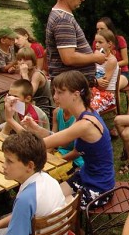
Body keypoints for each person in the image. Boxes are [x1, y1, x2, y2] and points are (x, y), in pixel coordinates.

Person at [20, 70, 115, 208]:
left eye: (60, 92)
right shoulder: (85, 114)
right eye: (54, 92)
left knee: (50, 207)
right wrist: (36, 128)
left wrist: (16, 139)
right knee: (45, 200)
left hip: (99, 187)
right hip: (85, 176)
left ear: (76, 95)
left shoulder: (85, 124)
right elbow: (59, 137)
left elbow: (44, 143)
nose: (55, 97)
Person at [45, 0, 106, 84]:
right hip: (69, 87)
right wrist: (95, 58)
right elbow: (68, 58)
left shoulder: (62, 16)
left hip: (72, 86)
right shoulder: (63, 20)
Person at [90, 26, 119, 114]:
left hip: (106, 95)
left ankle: (92, 122)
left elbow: (103, 86)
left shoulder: (111, 61)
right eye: (96, 42)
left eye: (100, 42)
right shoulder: (96, 56)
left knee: (88, 110)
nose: (96, 45)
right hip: (94, 90)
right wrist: (95, 82)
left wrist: (93, 82)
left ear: (109, 44)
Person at [96, 17, 129, 90]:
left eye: (102, 29)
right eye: (97, 29)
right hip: (102, 72)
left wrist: (111, 65)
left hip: (122, 72)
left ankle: (115, 97)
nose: (99, 31)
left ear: (109, 28)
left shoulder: (119, 39)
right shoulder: (97, 42)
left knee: (115, 86)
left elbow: (125, 61)